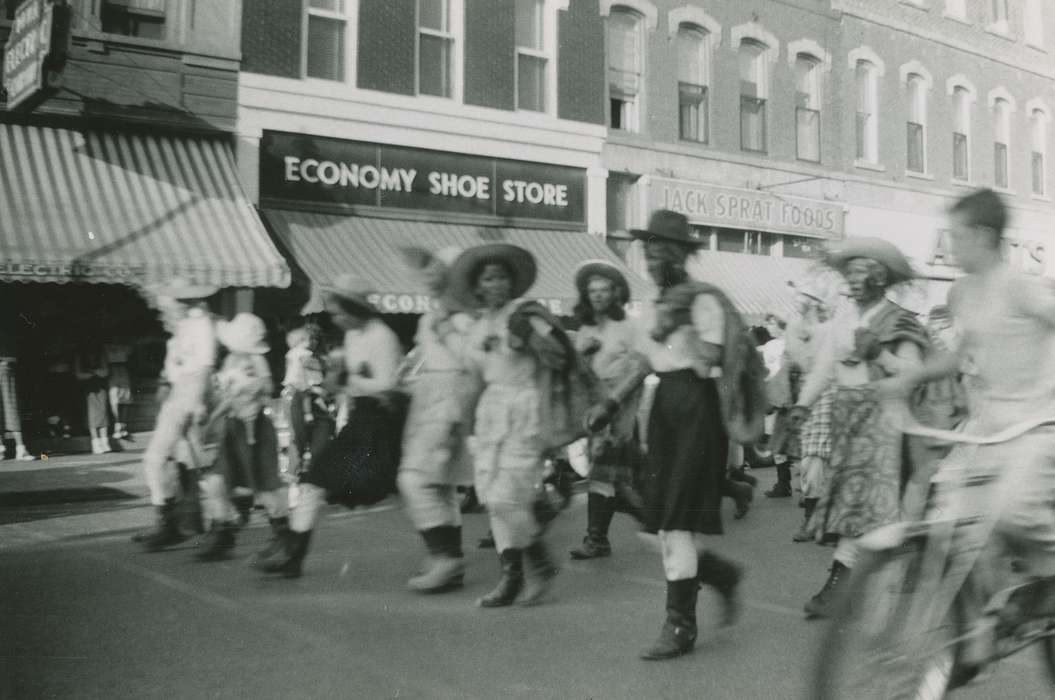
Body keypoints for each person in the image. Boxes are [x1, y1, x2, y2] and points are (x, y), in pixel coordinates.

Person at [587, 210, 765, 660]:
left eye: (661, 249)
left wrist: (683, 324)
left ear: (682, 253)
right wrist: (610, 404)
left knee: (675, 525)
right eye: (648, 249)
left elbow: (715, 358)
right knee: (656, 525)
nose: (652, 257)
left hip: (696, 407)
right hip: (664, 407)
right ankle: (720, 575)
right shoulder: (654, 303)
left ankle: (680, 625)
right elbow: (646, 362)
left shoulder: (702, 299)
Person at [880, 187, 1055, 583]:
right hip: (987, 426)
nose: (951, 244)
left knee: (1014, 512)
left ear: (981, 234)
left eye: (955, 234)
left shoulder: (1021, 286)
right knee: (952, 514)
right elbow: (960, 355)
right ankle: (985, 622)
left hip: (1037, 425)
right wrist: (908, 377)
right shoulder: (960, 293)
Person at [790, 238, 927, 618]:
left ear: (880, 279)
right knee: (860, 507)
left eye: (860, 273)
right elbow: (824, 368)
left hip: (887, 422)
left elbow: (915, 374)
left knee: (873, 507)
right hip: (848, 421)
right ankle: (867, 581)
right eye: (848, 273)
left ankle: (845, 583)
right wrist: (802, 404)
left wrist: (880, 354)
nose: (851, 280)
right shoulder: (842, 320)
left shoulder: (900, 321)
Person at [447, 242, 587, 608]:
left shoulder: (525, 313)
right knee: (494, 500)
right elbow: (474, 377)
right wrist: (464, 421)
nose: (496, 284)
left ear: (512, 283)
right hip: (491, 415)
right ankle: (512, 578)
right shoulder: (478, 325)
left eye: (502, 277)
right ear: (478, 286)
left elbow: (561, 352)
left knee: (504, 497)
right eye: (488, 278)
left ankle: (540, 564)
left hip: (525, 409)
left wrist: (530, 336)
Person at [256, 275, 406, 578]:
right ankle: (293, 554)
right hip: (361, 420)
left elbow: (388, 385)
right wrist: (337, 383)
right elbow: (351, 383)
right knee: (315, 480)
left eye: (339, 311)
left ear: (354, 308)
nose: (335, 318)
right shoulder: (352, 337)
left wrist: (349, 381)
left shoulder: (382, 336)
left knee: (405, 488)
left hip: (382, 425)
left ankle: (445, 547)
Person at [395, 246, 481, 593]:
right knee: (440, 483)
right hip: (435, 397)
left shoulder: (458, 319)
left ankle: (445, 556)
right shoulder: (440, 316)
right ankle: (449, 558)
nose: (430, 285)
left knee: (414, 480)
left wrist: (445, 326)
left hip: (447, 402)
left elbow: (469, 360)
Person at [568, 259, 645, 560]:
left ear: (617, 293)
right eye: (592, 291)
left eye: (605, 290)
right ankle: (652, 523)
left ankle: (597, 539)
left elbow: (639, 369)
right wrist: (582, 357)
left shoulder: (629, 327)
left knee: (605, 475)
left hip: (619, 409)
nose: (598, 295)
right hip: (594, 411)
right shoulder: (586, 327)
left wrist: (615, 405)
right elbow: (577, 373)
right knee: (614, 479)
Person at [196, 313, 288, 562]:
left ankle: (283, 533)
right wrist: (212, 419)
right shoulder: (229, 360)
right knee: (217, 479)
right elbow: (226, 398)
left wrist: (249, 385)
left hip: (256, 427)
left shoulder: (256, 359)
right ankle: (222, 533)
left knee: (264, 483)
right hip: (234, 426)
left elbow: (268, 387)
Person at [136, 278, 218, 552]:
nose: (162, 315)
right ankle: (190, 522)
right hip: (181, 394)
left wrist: (199, 402)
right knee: (189, 460)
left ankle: (171, 522)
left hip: (190, 394)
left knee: (160, 458)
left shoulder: (200, 324)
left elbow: (204, 366)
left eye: (165, 308)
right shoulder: (183, 328)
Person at [75, 343, 111, 455]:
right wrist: (95, 373)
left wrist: (92, 373)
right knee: (91, 414)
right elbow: (79, 375)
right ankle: (95, 442)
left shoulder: (101, 354)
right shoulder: (80, 356)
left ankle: (105, 441)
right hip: (87, 388)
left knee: (103, 411)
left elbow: (105, 372)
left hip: (100, 386)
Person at [104, 340, 134, 441]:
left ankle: (123, 426)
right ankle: (117, 427)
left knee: (126, 399)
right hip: (112, 371)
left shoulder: (126, 345)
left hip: (123, 371)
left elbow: (130, 356)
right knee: (114, 400)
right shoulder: (106, 346)